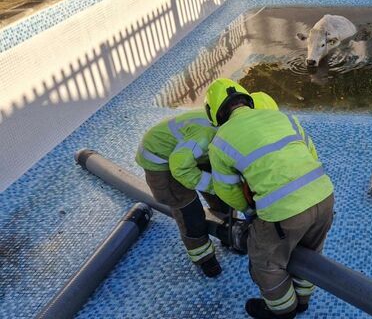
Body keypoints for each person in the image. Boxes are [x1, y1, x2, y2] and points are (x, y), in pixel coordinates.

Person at [205, 79, 334, 319]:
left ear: (214, 112)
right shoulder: (283, 117)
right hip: (324, 196)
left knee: (266, 262)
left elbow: (226, 190)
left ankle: (283, 310)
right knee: (312, 252)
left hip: (282, 212)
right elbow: (311, 153)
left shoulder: (220, 140)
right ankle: (303, 301)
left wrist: (250, 211)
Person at [135, 109, 228, 277]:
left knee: (224, 198)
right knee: (190, 212)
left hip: (191, 151)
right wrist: (214, 186)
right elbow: (180, 167)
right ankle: (204, 257)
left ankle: (228, 233)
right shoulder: (206, 134)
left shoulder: (228, 129)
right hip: (161, 159)